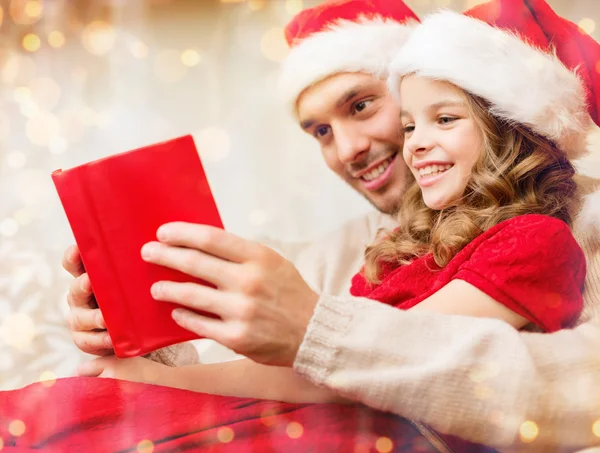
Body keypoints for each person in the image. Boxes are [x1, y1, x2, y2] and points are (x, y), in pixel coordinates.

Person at [65, 0, 600, 450]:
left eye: (363, 106)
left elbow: (551, 388)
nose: (348, 150)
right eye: (321, 131)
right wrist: (140, 328)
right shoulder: (375, 251)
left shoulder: (553, 235)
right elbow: (258, 375)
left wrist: (171, 380)